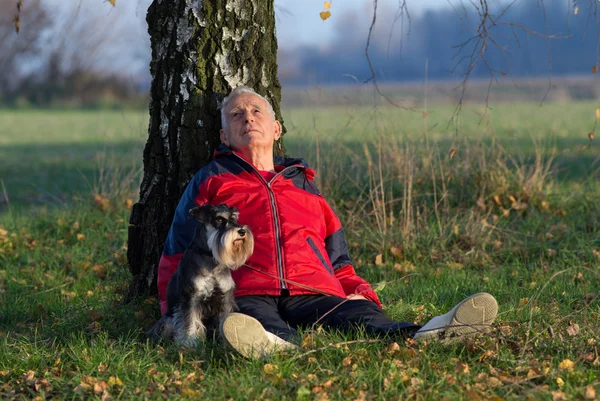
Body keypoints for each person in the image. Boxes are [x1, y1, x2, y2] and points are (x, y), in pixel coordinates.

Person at [157, 86, 498, 358]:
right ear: (224, 135)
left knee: (365, 320)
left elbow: (337, 256)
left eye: (256, 111)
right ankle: (272, 345)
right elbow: (178, 252)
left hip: (314, 288)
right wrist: (172, 315)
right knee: (251, 324)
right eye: (236, 114)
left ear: (276, 129)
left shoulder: (304, 185)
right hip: (247, 290)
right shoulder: (211, 181)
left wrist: (358, 293)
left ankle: (431, 332)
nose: (248, 118)